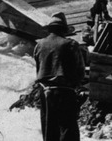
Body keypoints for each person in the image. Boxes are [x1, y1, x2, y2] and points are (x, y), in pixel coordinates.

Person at [34, 12, 85, 141]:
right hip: (64, 91)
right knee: (68, 129)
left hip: (45, 92)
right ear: (64, 30)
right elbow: (80, 70)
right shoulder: (71, 44)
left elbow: (38, 69)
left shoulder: (39, 44)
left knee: (49, 129)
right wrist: (77, 86)